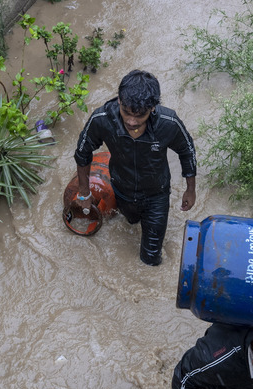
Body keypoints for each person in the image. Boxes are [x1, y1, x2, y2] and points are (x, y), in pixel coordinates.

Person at [73, 70, 197, 266]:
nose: (131, 121)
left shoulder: (168, 123)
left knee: (150, 259)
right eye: (126, 112)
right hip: (121, 190)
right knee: (129, 224)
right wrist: (84, 192)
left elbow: (187, 150)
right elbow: (82, 152)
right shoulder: (102, 119)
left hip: (156, 195)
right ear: (120, 102)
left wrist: (190, 189)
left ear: (153, 108)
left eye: (139, 115)